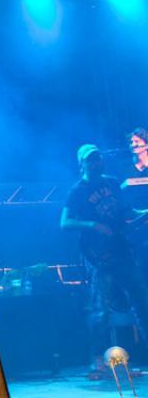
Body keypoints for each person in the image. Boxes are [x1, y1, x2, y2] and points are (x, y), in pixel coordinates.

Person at [60, 144, 148, 375]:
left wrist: (144, 213)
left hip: (121, 250)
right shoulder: (78, 191)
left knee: (142, 300)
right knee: (101, 308)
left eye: (98, 158)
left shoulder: (112, 183)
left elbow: (127, 213)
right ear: (82, 164)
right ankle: (98, 359)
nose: (96, 162)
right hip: (98, 255)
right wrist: (93, 224)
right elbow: (65, 222)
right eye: (91, 159)